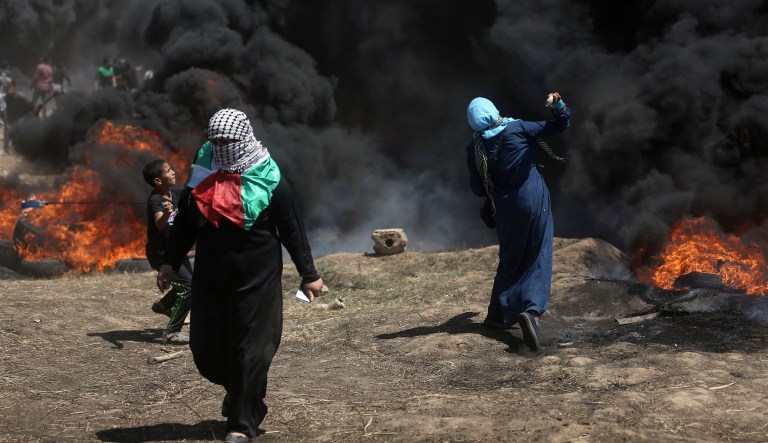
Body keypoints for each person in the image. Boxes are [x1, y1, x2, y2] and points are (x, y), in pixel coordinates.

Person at [157, 108, 324, 442]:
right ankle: (240, 392)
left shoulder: (269, 178)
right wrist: (169, 262)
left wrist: (309, 274)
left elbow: (292, 229)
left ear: (243, 137)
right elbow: (186, 225)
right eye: (215, 140)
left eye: (228, 140)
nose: (221, 146)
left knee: (249, 347)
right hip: (211, 275)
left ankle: (241, 424)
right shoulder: (202, 175)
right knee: (205, 350)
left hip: (256, 276)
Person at [466, 93, 571, 352]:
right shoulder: (517, 128)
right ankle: (532, 312)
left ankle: (499, 316)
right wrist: (558, 105)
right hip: (532, 199)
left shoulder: (475, 148)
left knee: (511, 257)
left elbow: (479, 190)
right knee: (538, 253)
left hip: (504, 207)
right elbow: (560, 124)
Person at [143, 159, 193, 344]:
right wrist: (166, 213)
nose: (173, 172)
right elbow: (159, 223)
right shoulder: (155, 200)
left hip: (177, 250)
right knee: (187, 288)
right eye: (169, 170)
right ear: (158, 181)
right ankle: (172, 332)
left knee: (191, 285)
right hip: (161, 254)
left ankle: (163, 305)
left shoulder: (176, 193)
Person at [2, 83, 34, 154]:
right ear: (7, 90)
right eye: (8, 89)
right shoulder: (6, 98)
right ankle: (6, 150)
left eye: (11, 89)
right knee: (6, 133)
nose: (10, 91)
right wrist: (6, 122)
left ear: (14, 89)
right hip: (11, 119)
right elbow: (5, 111)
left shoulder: (21, 97)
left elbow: (30, 106)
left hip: (20, 119)